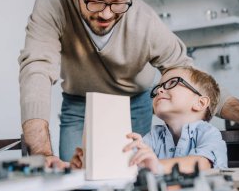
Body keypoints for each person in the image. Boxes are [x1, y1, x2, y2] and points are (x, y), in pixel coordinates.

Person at [18, 0, 239, 167]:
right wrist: (43, 155)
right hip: (81, 102)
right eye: (95, 2)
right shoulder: (53, 2)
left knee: (131, 173)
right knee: (75, 176)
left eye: (118, 3)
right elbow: (37, 69)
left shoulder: (144, 21)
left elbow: (198, 83)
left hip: (135, 99)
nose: (106, 13)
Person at [71, 66, 228, 173]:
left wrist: (156, 166)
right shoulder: (154, 136)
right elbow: (129, 162)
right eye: (158, 87)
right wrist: (90, 162)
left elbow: (201, 164)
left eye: (172, 83)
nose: (159, 89)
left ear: (200, 103)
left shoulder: (209, 134)